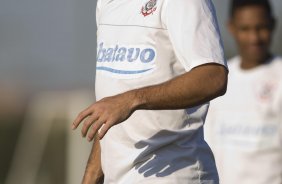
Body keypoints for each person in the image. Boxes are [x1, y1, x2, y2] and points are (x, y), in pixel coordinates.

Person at [72, 0, 228, 183]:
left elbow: (214, 77)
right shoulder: (106, 3)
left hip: (175, 174)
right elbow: (111, 110)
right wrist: (91, 177)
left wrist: (132, 99)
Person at [204, 0, 282, 184]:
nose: (254, 38)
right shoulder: (218, 78)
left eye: (261, 28)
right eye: (245, 29)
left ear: (273, 24)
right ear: (231, 27)